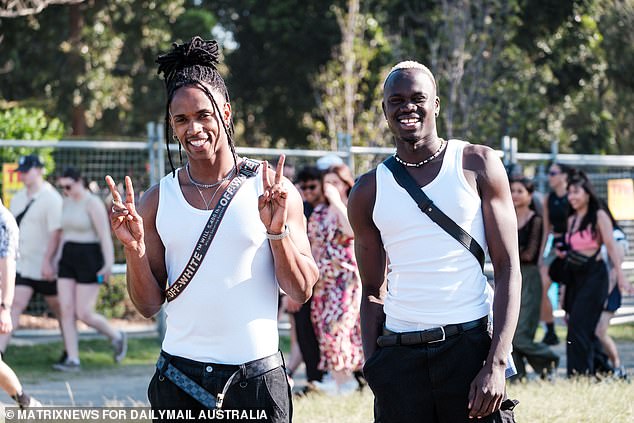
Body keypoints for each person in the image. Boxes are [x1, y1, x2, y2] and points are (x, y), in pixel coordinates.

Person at [105, 36, 318, 421]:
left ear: (227, 112)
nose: (194, 129)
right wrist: (133, 250)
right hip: (179, 378)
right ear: (171, 126)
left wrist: (277, 232)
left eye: (205, 115)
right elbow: (148, 306)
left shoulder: (271, 188)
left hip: (255, 380)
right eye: (181, 120)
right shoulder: (157, 200)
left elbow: (301, 289)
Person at [348, 61, 520, 422]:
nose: (407, 107)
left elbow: (507, 270)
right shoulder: (368, 189)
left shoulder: (477, 164)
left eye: (418, 98)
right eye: (396, 100)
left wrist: (496, 364)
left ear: (436, 104)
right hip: (399, 357)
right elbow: (371, 291)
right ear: (384, 110)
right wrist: (374, 366)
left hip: (469, 350)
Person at [52, 167, 125, 372]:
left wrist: (108, 264)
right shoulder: (65, 202)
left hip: (89, 258)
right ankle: (73, 359)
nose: (65, 190)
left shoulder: (92, 203)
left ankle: (117, 337)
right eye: (62, 187)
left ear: (79, 181)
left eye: (68, 186)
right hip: (67, 258)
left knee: (83, 312)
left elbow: (104, 236)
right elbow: (64, 234)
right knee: (66, 309)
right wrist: (56, 259)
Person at [561, 171, 630, 376]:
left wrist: (621, 278)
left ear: (587, 193)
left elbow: (611, 248)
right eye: (569, 193)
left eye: (576, 192)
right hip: (575, 276)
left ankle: (583, 374)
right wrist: (564, 291)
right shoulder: (571, 218)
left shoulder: (599, 215)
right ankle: (589, 372)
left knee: (581, 325)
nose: (571, 197)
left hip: (595, 276)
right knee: (574, 326)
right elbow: (569, 254)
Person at [0, 155, 64, 360]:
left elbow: (56, 232)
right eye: (21, 171)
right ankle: (0, 352)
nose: (23, 175)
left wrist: (49, 261)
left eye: (26, 171)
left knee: (61, 310)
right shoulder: (18, 197)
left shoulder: (52, 198)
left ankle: (70, 351)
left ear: (39, 170)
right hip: (24, 265)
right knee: (14, 305)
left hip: (45, 268)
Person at [308, 164, 364, 395]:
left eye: (335, 182)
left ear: (345, 184)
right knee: (323, 327)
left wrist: (338, 202)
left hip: (345, 279)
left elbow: (353, 231)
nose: (330, 187)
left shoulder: (350, 208)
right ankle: (337, 377)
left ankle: (346, 379)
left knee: (338, 326)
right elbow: (311, 243)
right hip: (323, 281)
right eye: (327, 182)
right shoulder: (319, 212)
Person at [509, 176, 559, 381]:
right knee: (508, 332)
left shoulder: (536, 220)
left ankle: (549, 359)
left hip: (529, 277)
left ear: (530, 195)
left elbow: (529, 254)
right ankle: (517, 375)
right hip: (509, 275)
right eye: (511, 190)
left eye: (520, 191)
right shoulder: (506, 217)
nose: (514, 195)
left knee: (521, 336)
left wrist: (507, 253)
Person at [282, 166, 326, 392]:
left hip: (330, 284)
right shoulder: (303, 210)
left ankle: (320, 377)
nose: (308, 191)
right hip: (307, 279)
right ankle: (312, 378)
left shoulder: (329, 209)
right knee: (302, 331)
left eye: (312, 186)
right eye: (304, 187)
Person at [0, 198, 42, 408]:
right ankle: (25, 401)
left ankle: (25, 402)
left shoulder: (3, 221)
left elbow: (7, 266)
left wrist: (5, 307)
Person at [538, 162, 573, 346]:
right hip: (555, 248)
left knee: (569, 295)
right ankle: (550, 330)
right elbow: (546, 230)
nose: (549, 177)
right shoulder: (548, 199)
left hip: (574, 247)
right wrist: (541, 257)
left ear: (564, 176)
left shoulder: (574, 196)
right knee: (542, 285)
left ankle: (573, 330)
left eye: (553, 173)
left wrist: (569, 245)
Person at [595, 203, 629, 379]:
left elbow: (616, 269)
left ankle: (618, 367)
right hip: (596, 289)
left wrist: (606, 291)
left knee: (600, 331)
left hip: (609, 290)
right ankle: (604, 367)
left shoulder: (616, 237)